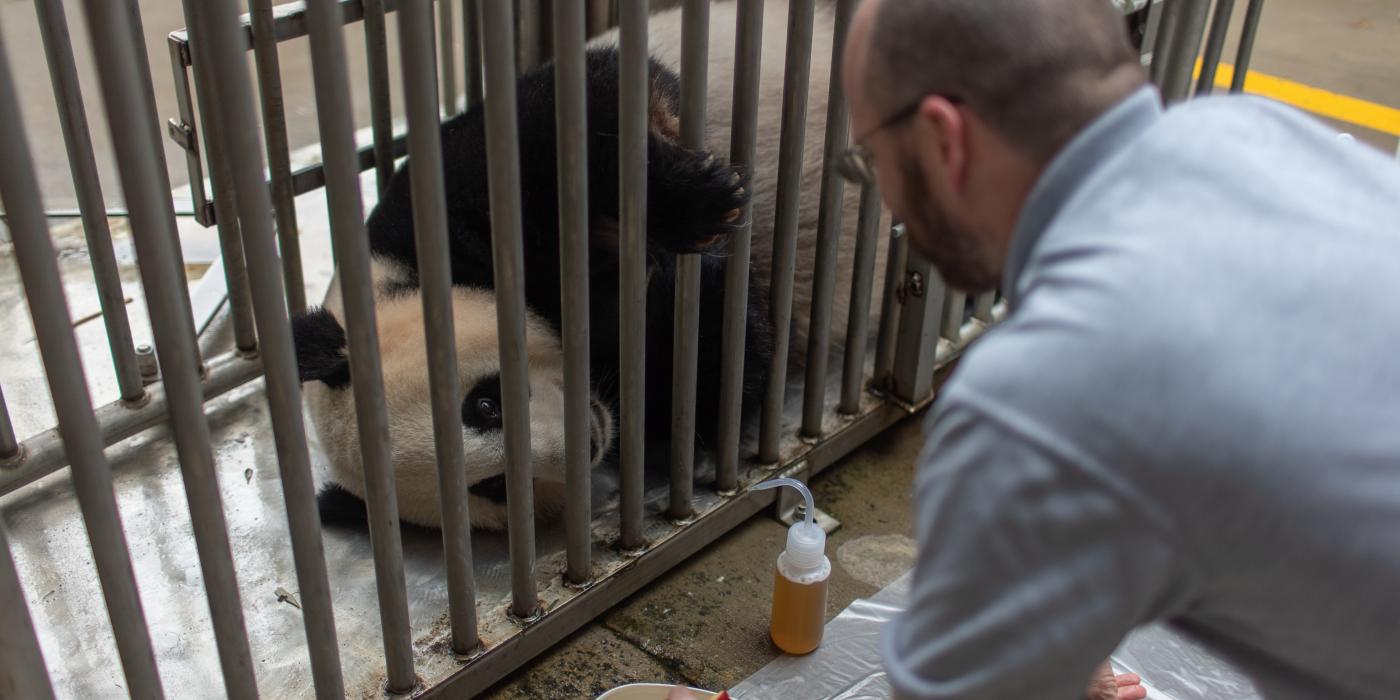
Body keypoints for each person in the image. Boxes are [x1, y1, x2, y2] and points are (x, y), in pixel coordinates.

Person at [833, 0, 1400, 699]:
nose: (887, 195)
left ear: (942, 138)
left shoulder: (1037, 399)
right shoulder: (1255, 130)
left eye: (873, 161)